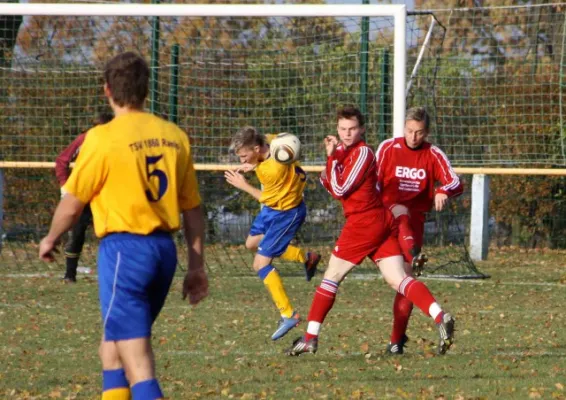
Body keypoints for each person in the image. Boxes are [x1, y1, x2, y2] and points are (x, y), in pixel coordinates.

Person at [38, 52, 209, 400]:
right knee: (112, 346)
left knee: (138, 362)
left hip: (126, 252)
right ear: (147, 90)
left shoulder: (102, 138)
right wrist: (196, 266)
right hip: (164, 253)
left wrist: (51, 237)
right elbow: (192, 210)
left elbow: (72, 202)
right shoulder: (174, 136)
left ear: (106, 91)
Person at [286, 105, 455, 356]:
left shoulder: (363, 152)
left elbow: (341, 188)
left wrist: (331, 160)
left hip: (364, 222)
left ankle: (310, 337)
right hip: (377, 222)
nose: (347, 133)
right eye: (342, 128)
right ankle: (440, 316)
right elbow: (333, 186)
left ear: (362, 129)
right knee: (398, 279)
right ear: (337, 129)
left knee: (331, 277)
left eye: (352, 128)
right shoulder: (344, 153)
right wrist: (330, 165)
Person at [375, 106, 463, 355]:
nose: (414, 137)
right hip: (386, 218)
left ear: (427, 132)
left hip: (414, 224)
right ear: (404, 127)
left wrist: (443, 190)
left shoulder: (433, 154)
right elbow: (374, 181)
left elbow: (454, 181)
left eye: (419, 132)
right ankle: (414, 254)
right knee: (402, 277)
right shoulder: (388, 148)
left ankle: (395, 342)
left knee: (404, 279)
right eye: (410, 131)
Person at [224, 128, 321, 341]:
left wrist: (243, 185)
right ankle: (305, 257)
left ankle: (289, 314)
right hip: (273, 208)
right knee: (251, 243)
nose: (241, 160)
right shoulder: (273, 141)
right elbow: (285, 138)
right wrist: (254, 162)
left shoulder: (272, 171)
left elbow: (264, 198)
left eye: (243, 155)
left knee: (260, 264)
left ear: (256, 149)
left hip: (285, 213)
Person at [55, 111, 114, 283]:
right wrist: (65, 185)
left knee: (111, 233)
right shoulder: (85, 139)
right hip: (84, 193)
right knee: (78, 232)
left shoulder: (117, 141)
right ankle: (69, 274)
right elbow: (62, 161)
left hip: (105, 195)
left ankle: (113, 273)